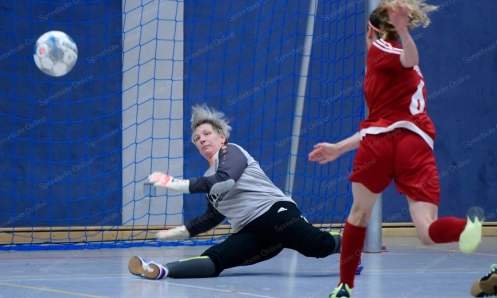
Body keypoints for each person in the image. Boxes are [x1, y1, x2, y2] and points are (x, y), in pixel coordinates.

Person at [308, 0, 484, 298]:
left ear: (370, 29)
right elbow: (386, 121)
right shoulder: (406, 75)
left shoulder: (381, 49)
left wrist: (403, 32)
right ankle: (466, 228)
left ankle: (344, 285)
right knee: (427, 232)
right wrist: (339, 147)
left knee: (359, 214)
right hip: (413, 144)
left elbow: (408, 59)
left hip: (381, 145)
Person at [127, 104, 362, 280]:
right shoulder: (209, 178)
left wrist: (173, 183)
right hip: (251, 232)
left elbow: (226, 180)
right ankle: (161, 270)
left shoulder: (232, 153)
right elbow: (213, 217)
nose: (202, 140)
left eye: (207, 134)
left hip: (275, 212)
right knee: (217, 258)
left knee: (316, 247)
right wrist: (178, 232)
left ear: (222, 137)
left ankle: (347, 243)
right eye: (197, 138)